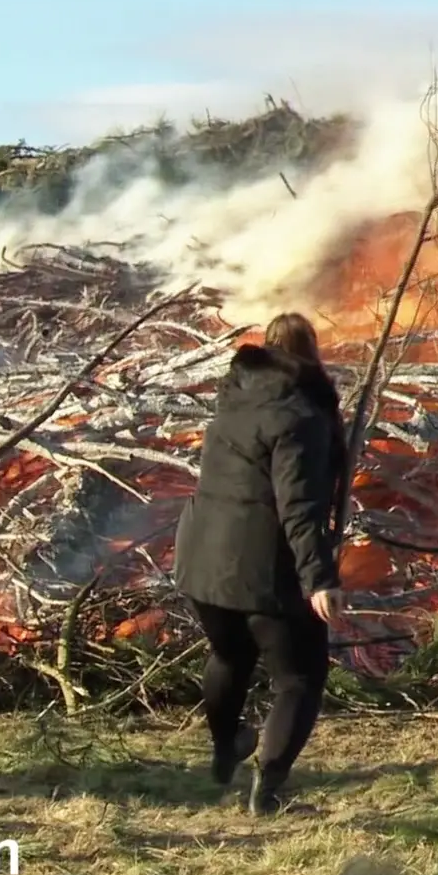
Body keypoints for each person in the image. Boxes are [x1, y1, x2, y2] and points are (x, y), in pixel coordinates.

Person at [174, 312, 347, 816]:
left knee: (230, 656)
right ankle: (267, 793)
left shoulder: (235, 398)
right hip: (262, 566)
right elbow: (299, 506)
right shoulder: (302, 418)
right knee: (299, 678)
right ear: (310, 354)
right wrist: (319, 579)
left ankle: (226, 748)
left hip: (202, 559)